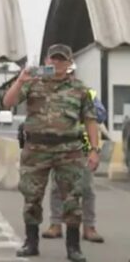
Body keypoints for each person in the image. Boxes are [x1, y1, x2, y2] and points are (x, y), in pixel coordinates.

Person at [2, 44, 100, 262]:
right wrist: (20, 80)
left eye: (61, 60)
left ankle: (73, 247)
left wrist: (94, 150)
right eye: (53, 59)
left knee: (73, 198)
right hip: (36, 149)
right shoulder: (32, 82)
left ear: (69, 63)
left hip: (70, 150)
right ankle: (31, 242)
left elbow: (90, 121)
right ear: (46, 61)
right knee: (32, 196)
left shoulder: (80, 88)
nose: (57, 63)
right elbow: (8, 102)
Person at [41, 62, 106, 243]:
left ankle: (89, 226)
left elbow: (100, 115)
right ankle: (55, 224)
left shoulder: (86, 91)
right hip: (59, 146)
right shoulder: (50, 91)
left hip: (82, 145)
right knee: (56, 187)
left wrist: (84, 107)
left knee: (86, 187)